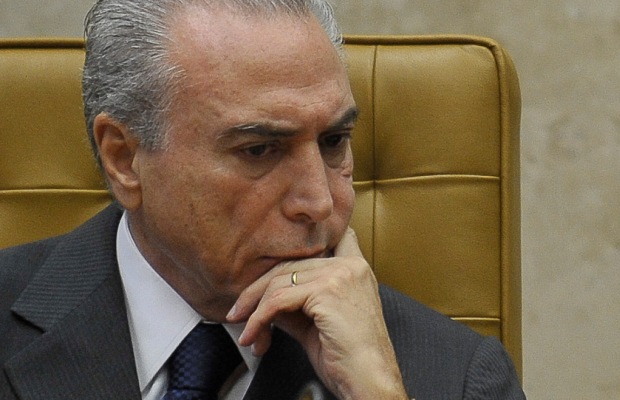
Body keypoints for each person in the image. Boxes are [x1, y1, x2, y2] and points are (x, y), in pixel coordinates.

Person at [0, 0, 526, 399]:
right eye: (259, 150)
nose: (319, 202)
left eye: (334, 142)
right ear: (124, 158)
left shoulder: (456, 378)